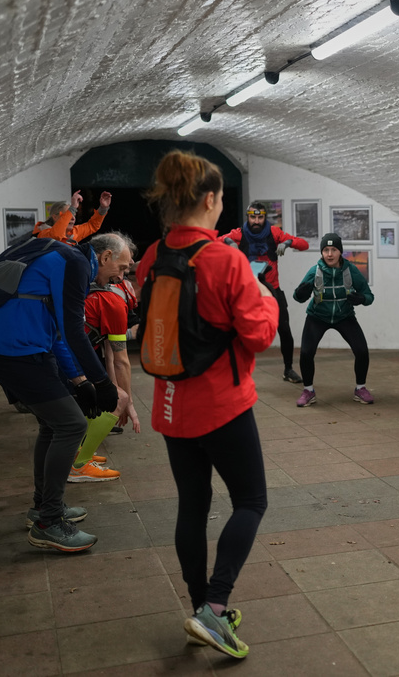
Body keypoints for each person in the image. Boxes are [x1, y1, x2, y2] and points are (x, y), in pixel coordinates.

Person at [135, 150, 279, 657]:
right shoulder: (224, 258)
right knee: (251, 501)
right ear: (212, 199)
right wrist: (268, 299)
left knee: (192, 507)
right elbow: (259, 335)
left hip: (171, 407)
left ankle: (199, 605)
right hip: (223, 405)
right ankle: (215, 610)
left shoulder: (153, 256)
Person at [0, 236, 123, 552]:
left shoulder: (67, 263)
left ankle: (43, 508)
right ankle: (49, 523)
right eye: (121, 268)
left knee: (53, 424)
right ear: (106, 256)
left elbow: (58, 334)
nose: (121, 277)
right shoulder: (77, 264)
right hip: (15, 352)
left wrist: (81, 381)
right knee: (72, 425)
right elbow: (73, 330)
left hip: (15, 349)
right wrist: (101, 382)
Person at [70, 232, 142, 482]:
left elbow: (109, 356)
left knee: (114, 396)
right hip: (66, 362)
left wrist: (114, 393)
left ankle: (80, 455)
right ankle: (79, 464)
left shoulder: (96, 291)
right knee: (117, 397)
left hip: (66, 358)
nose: (122, 277)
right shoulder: (113, 303)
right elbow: (121, 359)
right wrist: (127, 402)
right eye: (122, 270)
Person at [220, 201, 310, 383]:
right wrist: (228, 242)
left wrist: (288, 242)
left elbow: (304, 244)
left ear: (264, 217)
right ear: (248, 217)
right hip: (248, 291)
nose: (256, 220)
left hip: (273, 289)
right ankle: (234, 370)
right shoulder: (238, 234)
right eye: (253, 216)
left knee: (285, 330)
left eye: (260, 217)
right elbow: (215, 241)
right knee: (235, 331)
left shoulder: (274, 233)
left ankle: (288, 369)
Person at [292, 233, 375, 406]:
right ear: (322, 253)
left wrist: (361, 299)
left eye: (334, 250)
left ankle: (360, 388)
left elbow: (369, 296)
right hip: (317, 316)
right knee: (306, 353)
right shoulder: (314, 271)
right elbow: (297, 296)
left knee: (362, 351)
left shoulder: (350, 270)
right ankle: (308, 391)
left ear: (340, 252)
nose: (329, 254)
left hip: (344, 316)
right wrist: (300, 294)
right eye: (326, 250)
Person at [36, 190, 112, 245]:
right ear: (55, 217)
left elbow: (92, 225)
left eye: (74, 215)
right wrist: (72, 208)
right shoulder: (43, 233)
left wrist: (103, 208)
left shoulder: (73, 233)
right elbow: (57, 235)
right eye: (67, 215)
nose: (73, 218)